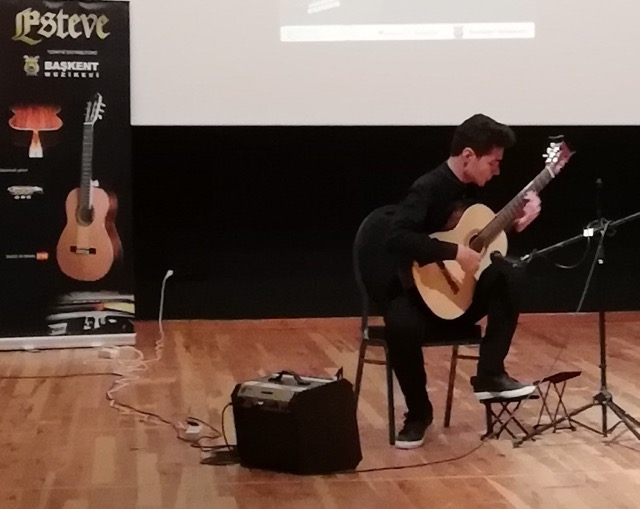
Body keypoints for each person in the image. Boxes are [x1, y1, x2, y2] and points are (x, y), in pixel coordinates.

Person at [383, 113, 541, 449]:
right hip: (422, 296)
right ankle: (418, 413)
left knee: (510, 273)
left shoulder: (473, 188)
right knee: (399, 325)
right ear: (468, 155)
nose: (497, 171)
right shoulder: (427, 187)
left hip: (463, 295)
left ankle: (490, 374)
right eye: (493, 162)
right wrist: (453, 251)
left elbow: (481, 232)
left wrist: (518, 221)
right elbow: (395, 238)